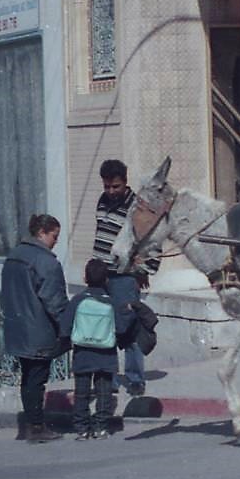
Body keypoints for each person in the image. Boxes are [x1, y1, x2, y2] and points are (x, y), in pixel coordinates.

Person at [0, 214, 69, 443]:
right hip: (39, 329)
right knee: (37, 379)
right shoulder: (46, 262)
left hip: (17, 326)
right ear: (41, 233)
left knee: (28, 377)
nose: (56, 241)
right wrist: (67, 327)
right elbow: (54, 300)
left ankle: (30, 424)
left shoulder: (14, 256)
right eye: (54, 236)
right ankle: (36, 426)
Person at [93, 159, 159, 397]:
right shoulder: (102, 201)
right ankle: (108, 379)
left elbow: (152, 241)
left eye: (116, 186)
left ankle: (135, 379)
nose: (111, 191)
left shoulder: (138, 207)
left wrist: (143, 270)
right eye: (107, 186)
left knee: (130, 327)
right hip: (102, 277)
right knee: (105, 328)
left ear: (125, 182)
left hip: (124, 276)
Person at [60, 259, 135, 440]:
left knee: (81, 392)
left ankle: (82, 428)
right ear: (107, 280)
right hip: (106, 354)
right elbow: (121, 328)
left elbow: (64, 327)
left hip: (82, 353)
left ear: (85, 278)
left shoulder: (77, 300)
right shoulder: (112, 302)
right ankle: (101, 427)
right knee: (104, 392)